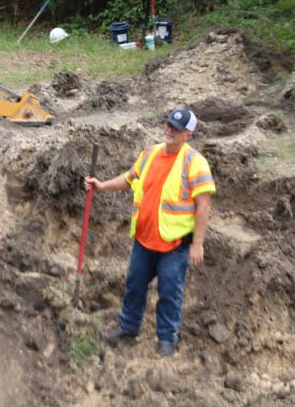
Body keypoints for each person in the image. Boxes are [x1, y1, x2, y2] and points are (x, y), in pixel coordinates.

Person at [85, 108, 215, 357]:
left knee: (169, 292)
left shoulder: (195, 163)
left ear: (188, 134)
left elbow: (204, 205)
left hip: (174, 245)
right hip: (144, 240)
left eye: (176, 128)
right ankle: (128, 327)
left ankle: (167, 339)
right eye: (168, 124)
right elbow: (129, 178)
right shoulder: (151, 153)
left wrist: (198, 244)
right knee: (134, 285)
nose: (169, 130)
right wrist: (101, 186)